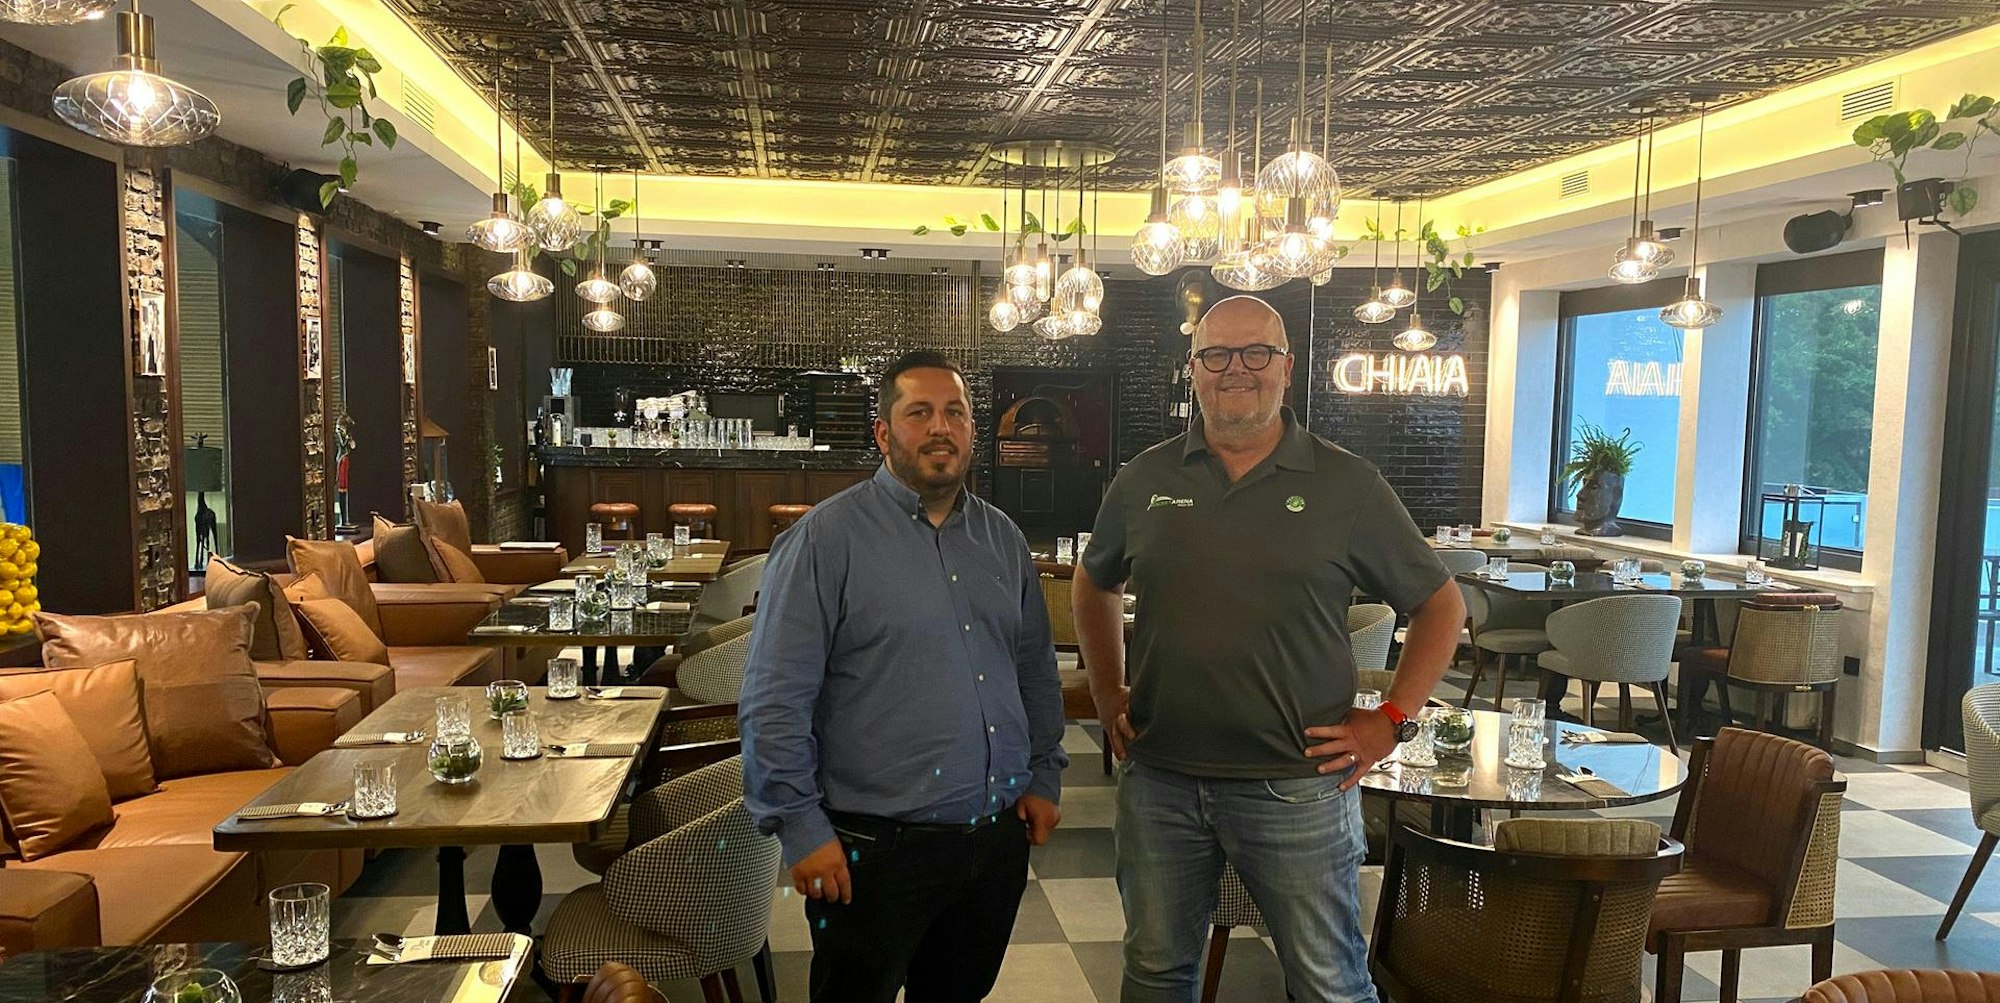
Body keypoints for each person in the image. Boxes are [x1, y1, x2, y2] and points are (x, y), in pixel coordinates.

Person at [1072, 296, 1465, 1003]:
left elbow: (1441, 606)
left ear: (1286, 368)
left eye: (1256, 353)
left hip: (1300, 785)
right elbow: (1094, 580)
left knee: (1329, 984)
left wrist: (1392, 719)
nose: (1237, 369)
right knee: (1156, 973)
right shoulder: (1144, 479)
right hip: (1160, 779)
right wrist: (1106, 690)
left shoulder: (1348, 484)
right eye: (1217, 354)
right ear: (1194, 369)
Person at [740, 349, 1068, 1003]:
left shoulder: (1003, 539)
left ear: (972, 429)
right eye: (919, 413)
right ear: (884, 433)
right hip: (872, 848)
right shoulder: (824, 541)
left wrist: (1044, 774)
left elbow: (1034, 667)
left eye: (955, 413)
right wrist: (800, 826)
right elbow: (775, 697)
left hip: (993, 841)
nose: (940, 427)